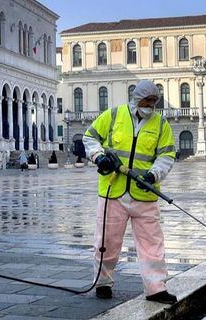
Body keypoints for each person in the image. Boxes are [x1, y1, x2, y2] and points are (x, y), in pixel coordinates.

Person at [83, 80, 177, 303]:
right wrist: (99, 157)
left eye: (154, 102)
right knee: (107, 240)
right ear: (137, 99)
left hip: (144, 194)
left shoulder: (161, 124)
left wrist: (153, 175)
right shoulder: (113, 115)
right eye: (148, 101)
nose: (151, 106)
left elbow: (166, 155)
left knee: (151, 244)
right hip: (112, 191)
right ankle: (103, 283)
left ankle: (156, 288)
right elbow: (90, 137)